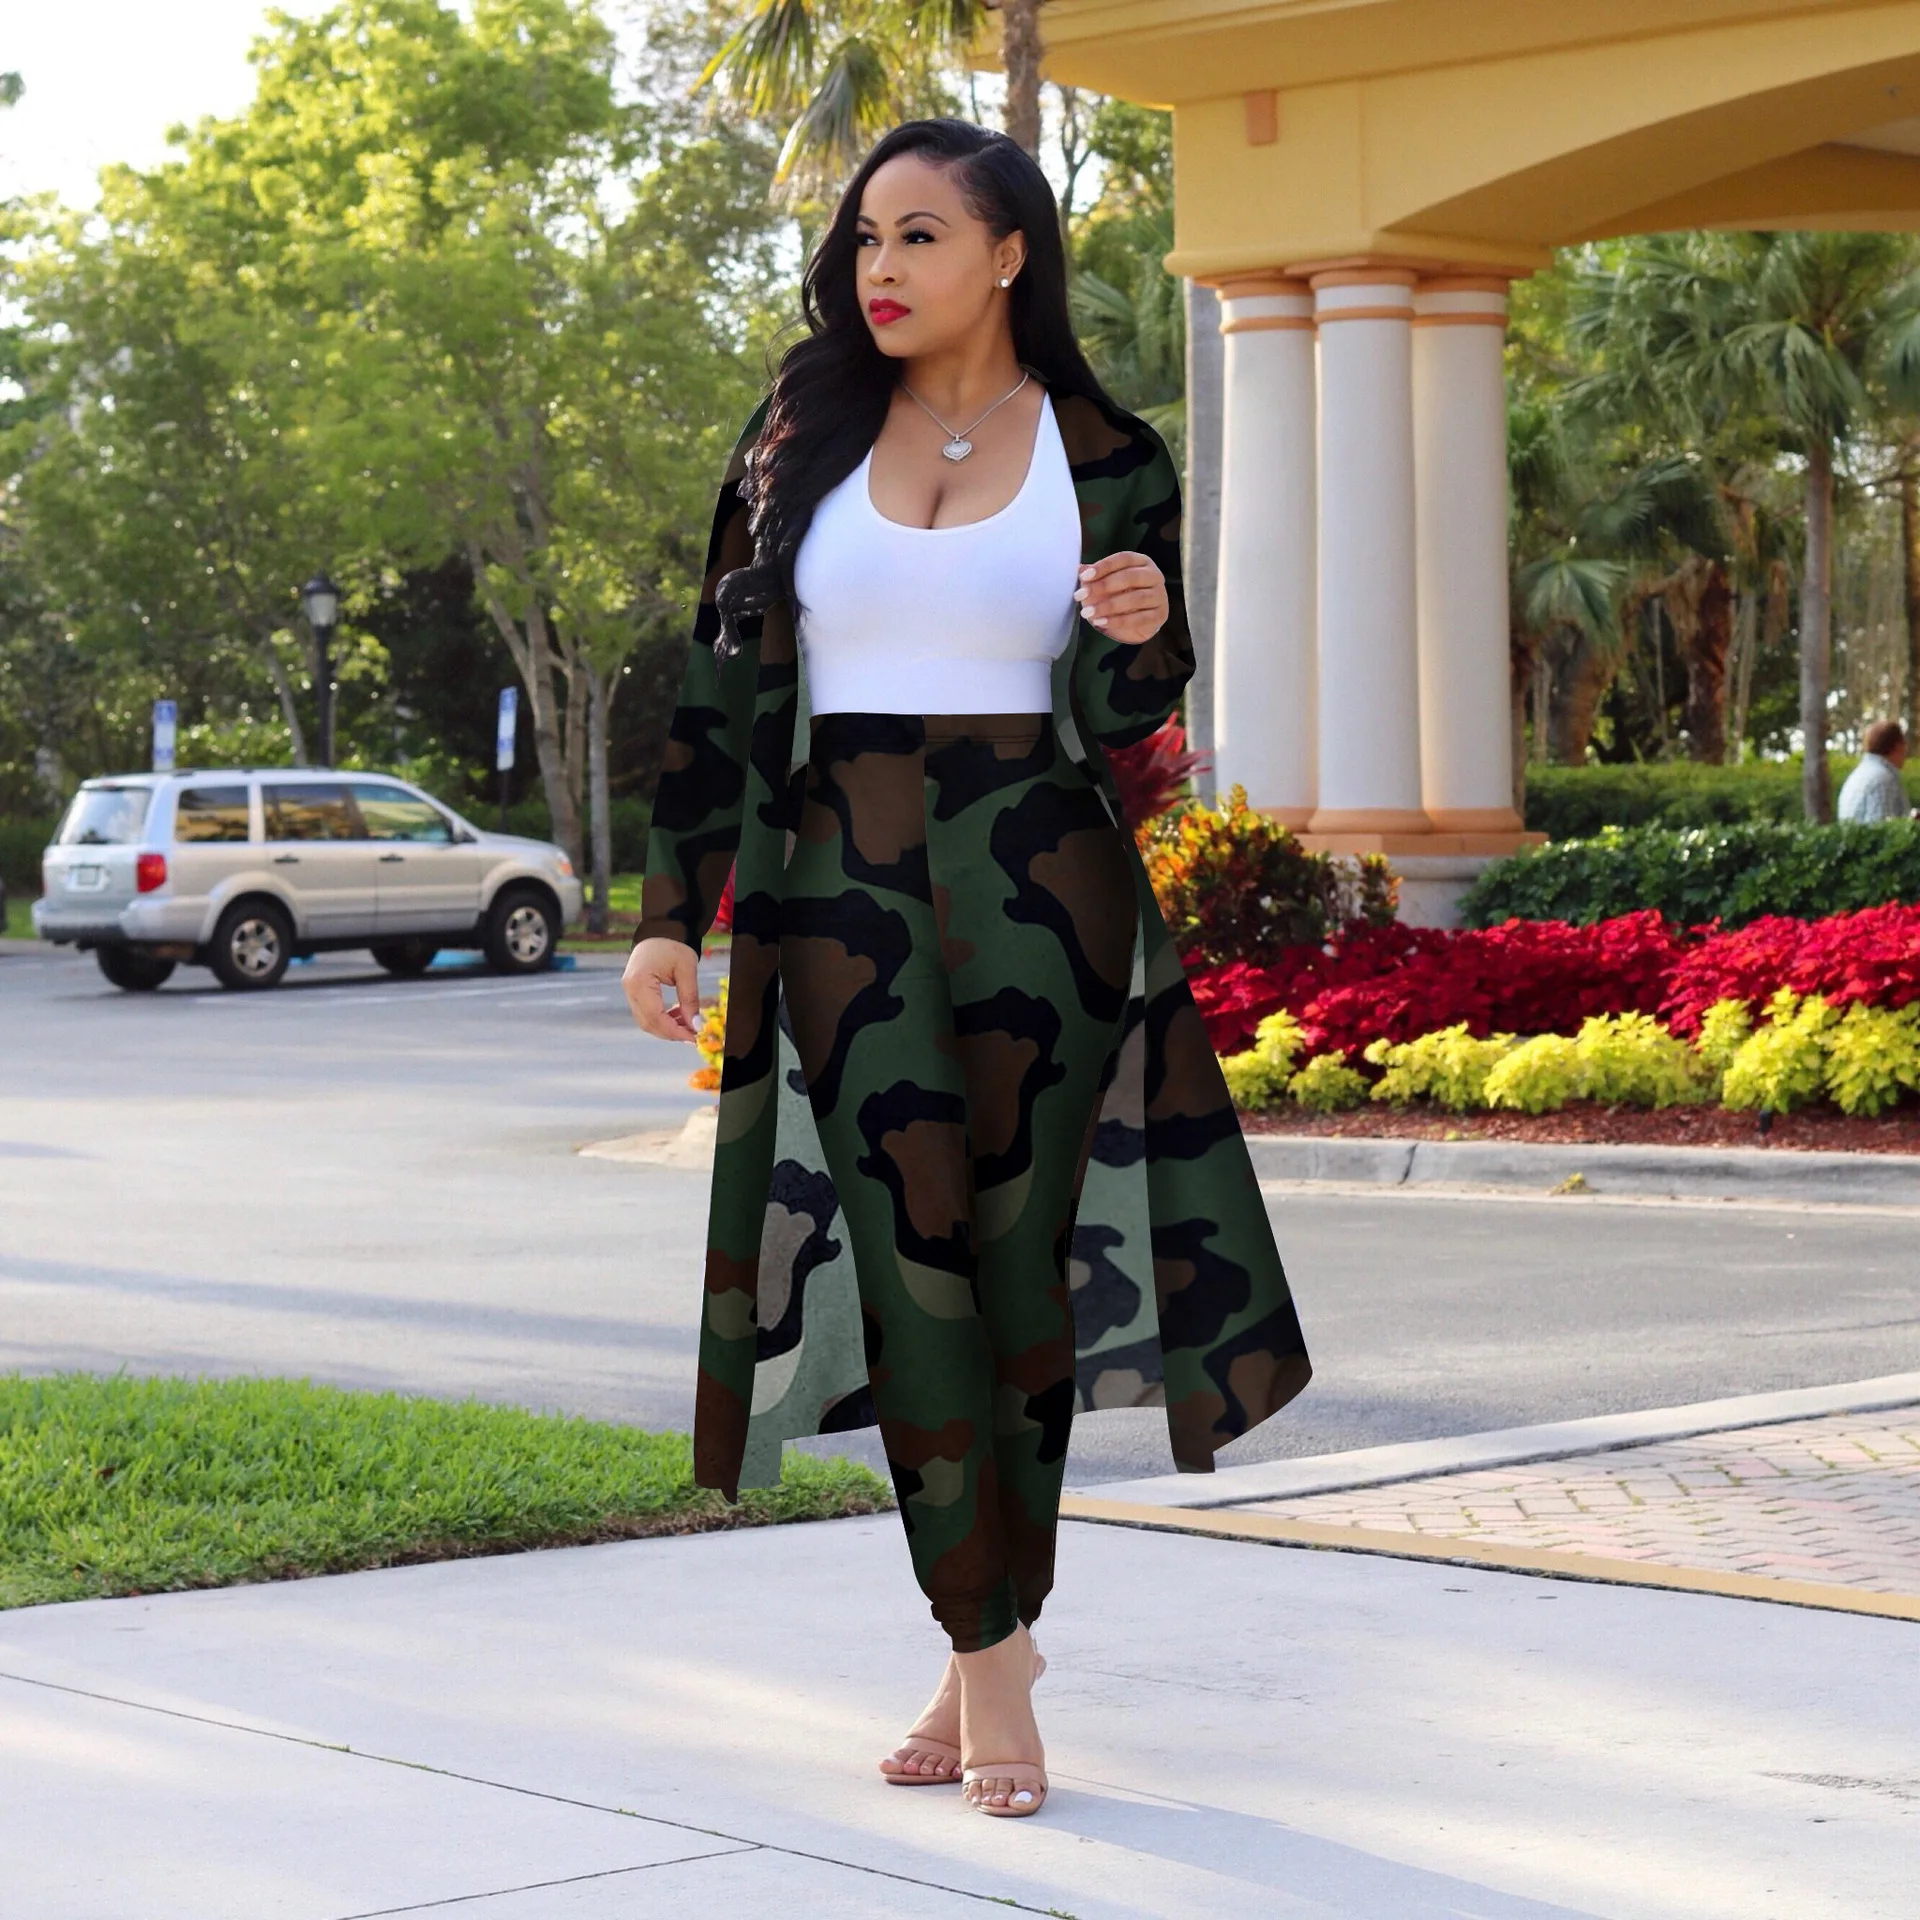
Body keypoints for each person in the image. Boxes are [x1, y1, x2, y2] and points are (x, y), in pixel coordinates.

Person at [621, 119, 1307, 1821]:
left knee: (1017, 1281)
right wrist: (670, 905)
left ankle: (977, 1647)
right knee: (905, 1260)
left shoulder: (1108, 451)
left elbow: (1129, 707)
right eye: (866, 238)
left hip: (1040, 888)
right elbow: (718, 689)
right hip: (836, 885)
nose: (881, 266)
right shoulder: (797, 437)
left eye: (919, 235)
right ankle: (993, 1649)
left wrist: (1144, 633)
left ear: (1009, 255)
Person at [1836, 720, 1914, 822]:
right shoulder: (1883, 781)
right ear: (1898, 746)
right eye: (1904, 744)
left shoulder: (1860, 774)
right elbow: (1880, 828)